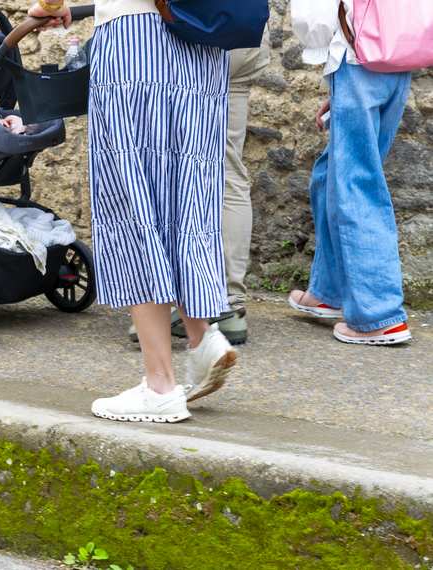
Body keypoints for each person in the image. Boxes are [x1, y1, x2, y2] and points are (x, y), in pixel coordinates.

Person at [30, 0, 238, 423]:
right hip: (203, 47)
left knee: (132, 201)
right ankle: (202, 337)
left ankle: (160, 385)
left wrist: (51, 7)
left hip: (135, 46)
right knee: (187, 196)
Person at [127, 40, 271, 346]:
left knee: (173, 165)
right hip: (243, 30)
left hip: (196, 36)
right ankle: (228, 305)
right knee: (229, 169)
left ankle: (170, 303)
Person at [288, 0, 413, 345]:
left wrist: (329, 56)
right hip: (395, 57)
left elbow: (315, 13)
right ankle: (331, 291)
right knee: (330, 174)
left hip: (359, 57)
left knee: (356, 184)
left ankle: (377, 314)